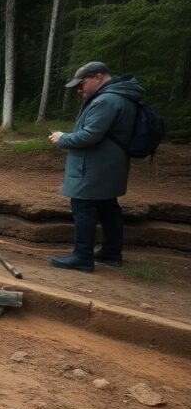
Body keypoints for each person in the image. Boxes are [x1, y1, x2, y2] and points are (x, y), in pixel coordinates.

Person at [48, 61, 143, 272]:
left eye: (81, 84)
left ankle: (82, 257)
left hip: (93, 166)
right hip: (109, 165)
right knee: (108, 206)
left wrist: (63, 138)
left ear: (98, 77)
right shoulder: (121, 96)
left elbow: (90, 135)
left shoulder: (106, 100)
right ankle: (111, 253)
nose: (79, 90)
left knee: (82, 206)